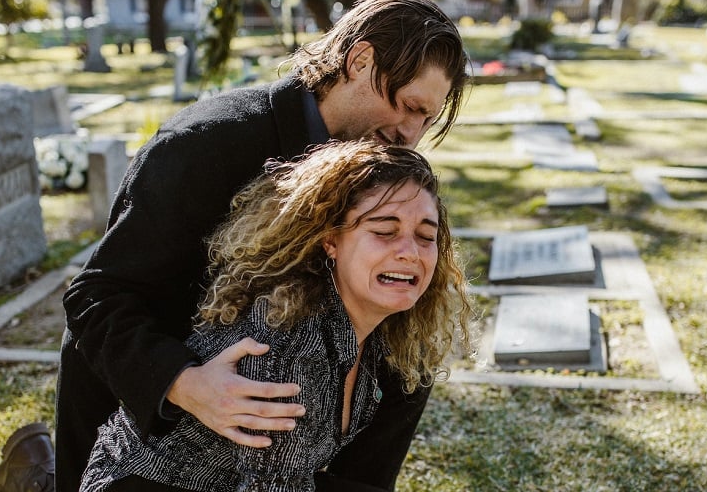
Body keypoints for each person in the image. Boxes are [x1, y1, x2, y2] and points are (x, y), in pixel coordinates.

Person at [56, 0, 469, 492]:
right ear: (359, 61)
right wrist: (187, 384)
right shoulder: (205, 144)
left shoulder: (374, 165)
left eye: (427, 119)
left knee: (411, 353)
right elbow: (96, 296)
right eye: (407, 107)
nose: (412, 133)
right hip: (146, 429)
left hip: (287, 418)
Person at [78, 141, 474, 491]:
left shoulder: (372, 330)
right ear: (331, 240)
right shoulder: (285, 349)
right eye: (385, 230)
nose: (411, 251)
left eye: (426, 236)